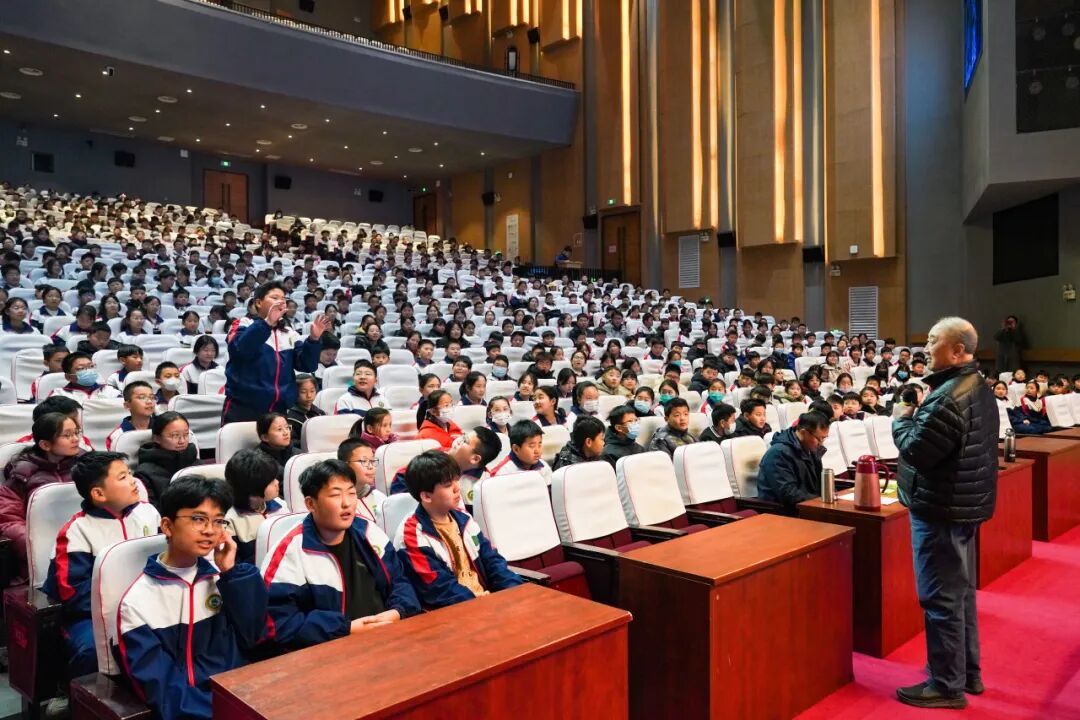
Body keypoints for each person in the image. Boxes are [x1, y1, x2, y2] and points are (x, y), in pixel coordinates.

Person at [892, 317, 998, 709]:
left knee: (940, 598)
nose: (926, 346)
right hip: (963, 505)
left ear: (956, 351)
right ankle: (966, 673)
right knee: (960, 594)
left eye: (933, 340)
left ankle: (946, 685)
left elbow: (916, 450)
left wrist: (901, 417)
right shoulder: (978, 387)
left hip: (941, 508)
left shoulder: (948, 397)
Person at [115, 476, 267, 720]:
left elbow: (254, 638)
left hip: (244, 698)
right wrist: (222, 713)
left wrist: (231, 573)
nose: (210, 530)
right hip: (196, 713)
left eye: (218, 521)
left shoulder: (223, 579)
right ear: (167, 526)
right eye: (198, 519)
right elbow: (163, 691)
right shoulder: (138, 601)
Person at [261, 459, 420, 650]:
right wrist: (346, 629)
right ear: (311, 504)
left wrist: (398, 611)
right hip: (330, 650)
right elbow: (278, 623)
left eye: (351, 493)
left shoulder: (368, 531)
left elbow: (400, 581)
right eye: (335, 495)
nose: (347, 504)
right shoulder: (290, 552)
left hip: (387, 635)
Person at [43, 452, 160, 677]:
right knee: (92, 650)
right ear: (98, 494)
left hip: (144, 604)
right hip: (90, 615)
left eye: (130, 473)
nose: (133, 481)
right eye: (123, 477)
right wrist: (125, 606)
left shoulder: (148, 513)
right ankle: (84, 693)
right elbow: (74, 594)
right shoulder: (77, 531)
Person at [395, 451, 523, 607]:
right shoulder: (411, 534)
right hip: (454, 610)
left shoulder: (464, 518)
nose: (457, 488)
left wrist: (515, 590)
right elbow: (439, 589)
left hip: (485, 601)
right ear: (427, 496)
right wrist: (479, 601)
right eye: (448, 485)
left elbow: (492, 560)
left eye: (457, 479)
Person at [223, 281, 329, 424]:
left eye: (283, 299)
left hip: (279, 410)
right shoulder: (243, 323)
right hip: (243, 408)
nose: (280, 302)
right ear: (258, 303)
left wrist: (314, 339)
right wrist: (267, 323)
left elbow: (307, 365)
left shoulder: (289, 332)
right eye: (274, 298)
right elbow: (239, 350)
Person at [0, 413, 86, 579]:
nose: (76, 439)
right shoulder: (22, 474)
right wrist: (38, 546)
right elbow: (9, 520)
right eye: (67, 435)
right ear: (45, 444)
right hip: (44, 549)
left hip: (84, 540)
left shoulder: (86, 465)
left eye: (77, 432)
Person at [223, 449, 289, 566]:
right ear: (252, 489)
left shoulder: (281, 505)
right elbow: (234, 564)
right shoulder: (229, 520)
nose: (277, 482)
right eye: (271, 481)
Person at [756, 412, 830, 512]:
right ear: (803, 433)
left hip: (808, 505)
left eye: (824, 438)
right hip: (782, 512)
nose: (821, 443)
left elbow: (818, 483)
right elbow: (788, 494)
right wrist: (820, 501)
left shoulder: (810, 448)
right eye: (819, 439)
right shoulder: (778, 453)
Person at [134, 412, 199, 508]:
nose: (182, 441)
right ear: (157, 438)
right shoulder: (144, 474)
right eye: (175, 436)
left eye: (186, 435)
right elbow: (150, 510)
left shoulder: (197, 464)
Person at [337, 438, 385, 524]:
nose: (371, 466)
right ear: (345, 465)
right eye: (364, 461)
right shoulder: (337, 502)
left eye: (372, 460)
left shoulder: (378, 497)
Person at [48, 351, 122, 402]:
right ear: (68, 377)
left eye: (91, 366)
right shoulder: (60, 395)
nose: (89, 371)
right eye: (81, 368)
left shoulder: (109, 390)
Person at [105, 380, 157, 451]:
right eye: (142, 397)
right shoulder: (117, 436)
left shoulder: (164, 428)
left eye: (152, 397)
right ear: (127, 405)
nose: (149, 401)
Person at [254, 412, 296, 483]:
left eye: (287, 427)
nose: (286, 432)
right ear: (265, 437)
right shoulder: (260, 461)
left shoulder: (295, 451)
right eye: (279, 429)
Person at [285, 374, 323, 448]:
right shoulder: (290, 418)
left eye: (312, 391)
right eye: (303, 392)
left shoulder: (320, 413)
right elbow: (291, 442)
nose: (309, 395)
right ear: (294, 393)